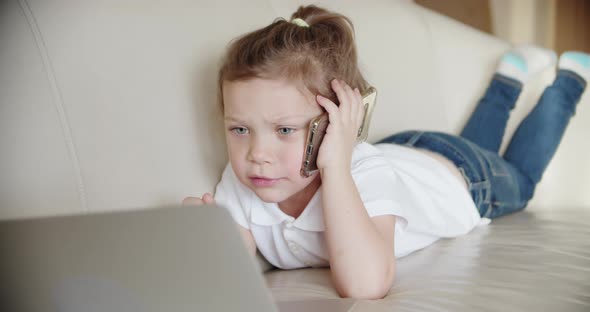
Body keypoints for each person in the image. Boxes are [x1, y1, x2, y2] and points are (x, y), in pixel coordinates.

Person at [183, 5, 589, 299]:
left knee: (521, 176)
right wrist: (202, 238)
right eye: (239, 129)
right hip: (403, 152)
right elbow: (228, 268)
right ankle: (510, 75)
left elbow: (365, 284)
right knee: (479, 146)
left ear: (337, 125)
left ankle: (568, 81)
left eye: (284, 129)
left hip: (465, 178)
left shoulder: (357, 173)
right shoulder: (244, 180)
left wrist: (337, 167)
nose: (257, 153)